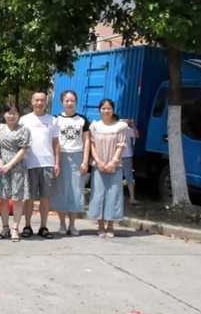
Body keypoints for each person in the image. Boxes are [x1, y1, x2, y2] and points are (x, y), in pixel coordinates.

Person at [19, 91, 60, 239]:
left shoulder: (53, 120)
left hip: (47, 163)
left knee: (45, 198)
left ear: (46, 102)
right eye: (36, 100)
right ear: (32, 102)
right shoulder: (24, 120)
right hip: (29, 163)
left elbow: (56, 143)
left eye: (42, 100)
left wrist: (57, 163)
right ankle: (27, 226)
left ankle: (43, 227)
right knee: (28, 198)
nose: (39, 103)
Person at [52, 90, 91, 236]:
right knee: (61, 191)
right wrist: (56, 161)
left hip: (77, 157)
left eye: (72, 100)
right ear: (62, 102)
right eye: (67, 101)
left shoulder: (82, 119)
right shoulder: (56, 119)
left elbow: (87, 141)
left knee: (76, 190)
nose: (69, 103)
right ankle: (62, 224)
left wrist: (85, 161)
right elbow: (54, 141)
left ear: (76, 102)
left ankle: (72, 225)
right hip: (61, 156)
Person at [0, 103, 32, 242]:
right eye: (9, 113)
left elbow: (24, 149)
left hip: (17, 168)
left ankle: (15, 228)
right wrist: (0, 161)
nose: (11, 115)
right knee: (3, 199)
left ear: (18, 115)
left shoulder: (24, 130)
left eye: (14, 113)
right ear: (4, 114)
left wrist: (10, 164)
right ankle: (5, 227)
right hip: (2, 168)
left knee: (17, 199)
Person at [89, 100, 128, 237]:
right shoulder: (94, 126)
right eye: (104, 108)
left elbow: (121, 145)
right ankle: (100, 225)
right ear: (99, 110)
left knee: (113, 194)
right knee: (98, 194)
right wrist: (98, 161)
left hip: (115, 166)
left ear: (113, 110)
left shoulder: (120, 126)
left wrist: (114, 161)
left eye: (109, 108)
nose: (106, 111)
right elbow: (92, 145)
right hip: (98, 165)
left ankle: (111, 225)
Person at [118, 117, 140, 204]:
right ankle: (118, 197)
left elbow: (137, 135)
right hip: (117, 155)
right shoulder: (115, 128)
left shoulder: (127, 129)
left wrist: (133, 125)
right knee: (117, 176)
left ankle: (132, 198)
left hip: (126, 155)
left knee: (129, 176)